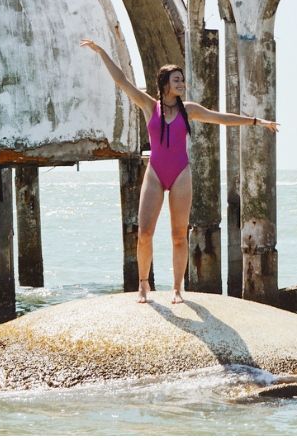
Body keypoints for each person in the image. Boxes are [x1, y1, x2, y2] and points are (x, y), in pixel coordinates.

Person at [81, 39, 279, 304]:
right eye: (177, 80)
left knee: (178, 235)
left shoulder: (189, 110)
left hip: (180, 174)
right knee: (144, 233)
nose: (182, 83)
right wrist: (101, 51)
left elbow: (221, 118)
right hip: (155, 172)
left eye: (182, 80)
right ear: (165, 83)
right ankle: (143, 283)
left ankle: (176, 288)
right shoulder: (150, 106)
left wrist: (256, 121)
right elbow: (122, 81)